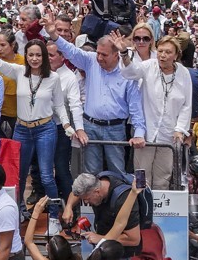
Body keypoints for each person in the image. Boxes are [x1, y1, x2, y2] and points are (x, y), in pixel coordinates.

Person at [43, 11, 146, 176]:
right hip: (90, 126)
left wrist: (140, 133)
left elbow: (135, 107)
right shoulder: (90, 60)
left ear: (116, 55)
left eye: (104, 55)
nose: (98, 57)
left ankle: (117, 201)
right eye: (97, 52)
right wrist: (53, 34)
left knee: (117, 172)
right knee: (91, 173)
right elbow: (71, 51)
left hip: (115, 128)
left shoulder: (127, 73)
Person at [0, 33, 67, 202]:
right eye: (31, 55)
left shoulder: (53, 78)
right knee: (19, 175)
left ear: (44, 57)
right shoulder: (19, 71)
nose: (34, 59)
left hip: (45, 129)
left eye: (38, 55)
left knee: (47, 175)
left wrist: (67, 126)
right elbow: (0, 64)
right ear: (25, 56)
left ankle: (54, 216)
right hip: (22, 129)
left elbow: (59, 105)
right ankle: (18, 213)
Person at [118, 32, 193, 188]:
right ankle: (141, 209)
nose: (163, 55)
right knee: (141, 178)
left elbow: (187, 105)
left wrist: (180, 129)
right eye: (160, 51)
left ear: (176, 55)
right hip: (146, 134)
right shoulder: (149, 66)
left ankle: (158, 210)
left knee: (163, 179)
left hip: (169, 136)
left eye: (168, 52)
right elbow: (130, 72)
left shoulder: (184, 73)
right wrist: (124, 53)